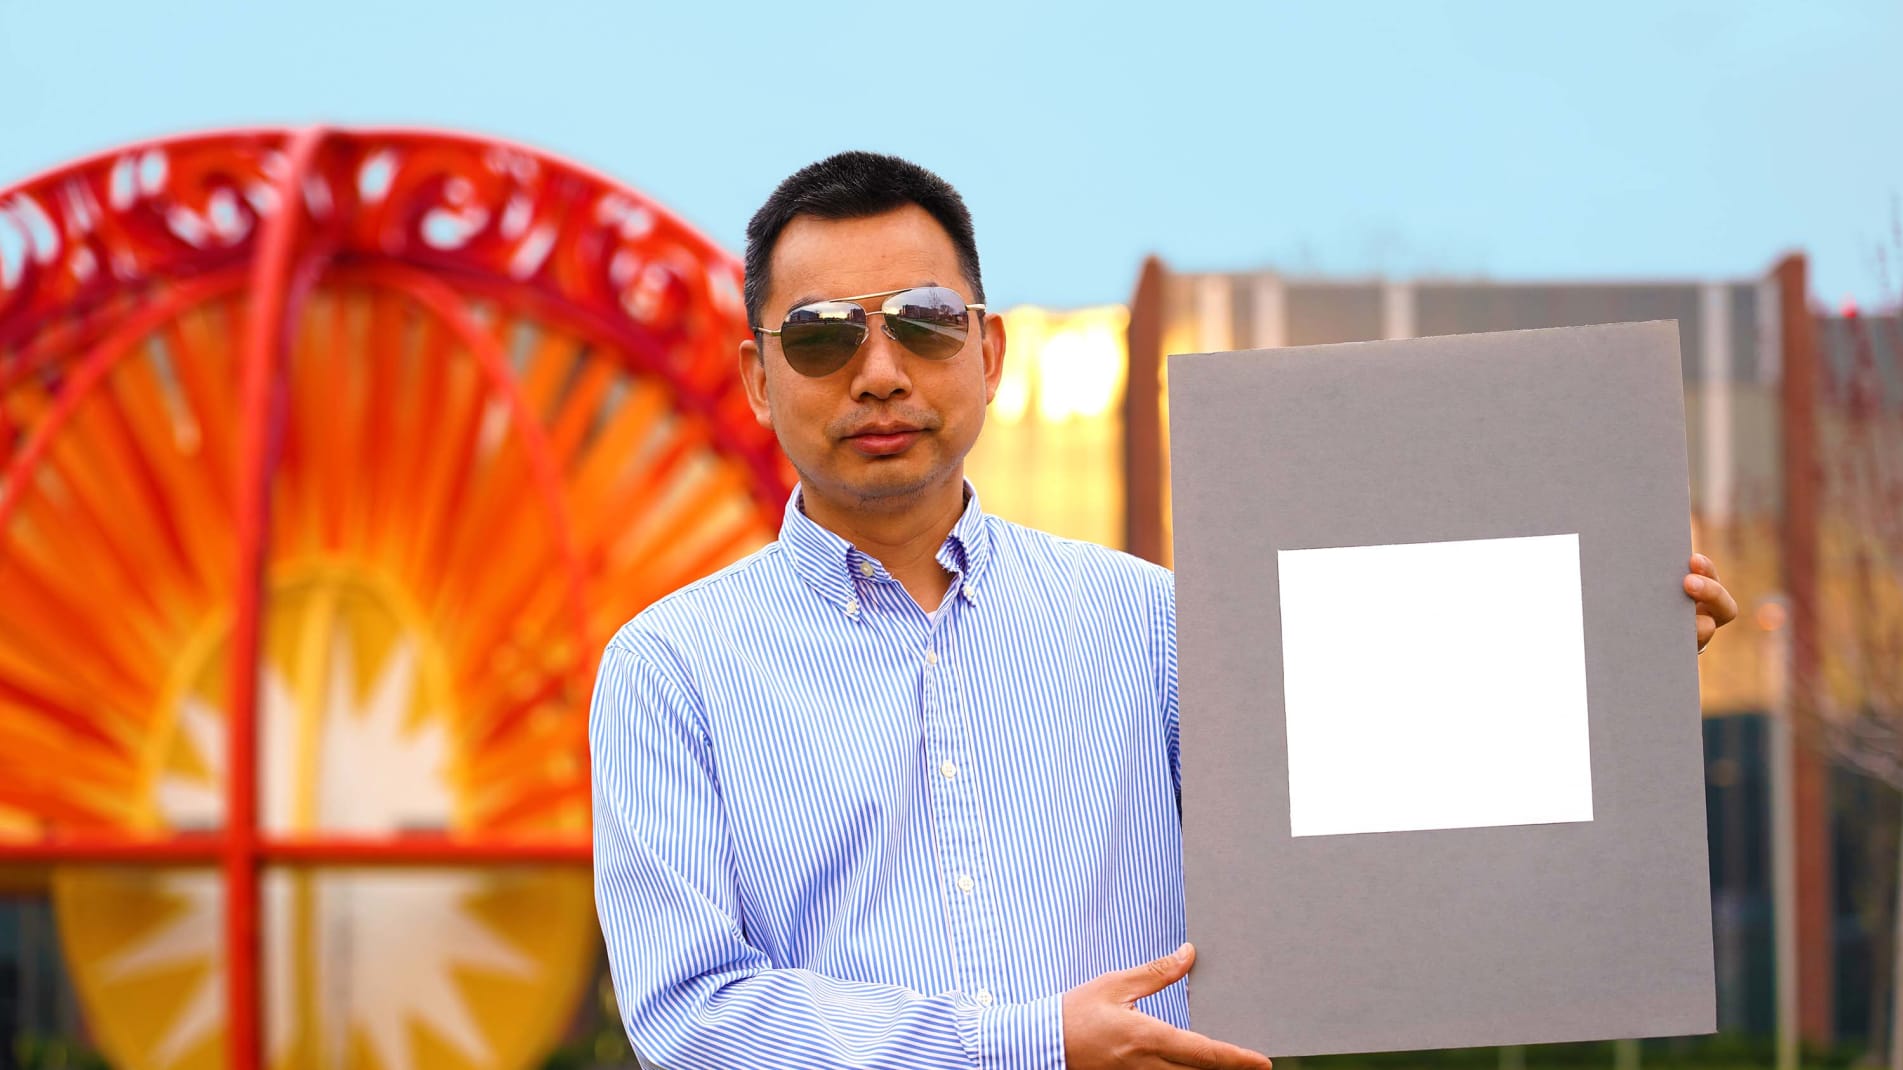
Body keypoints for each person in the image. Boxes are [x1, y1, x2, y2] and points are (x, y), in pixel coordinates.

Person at [588, 151, 1741, 1070]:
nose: (879, 371)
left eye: (924, 322)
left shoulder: (1150, 622)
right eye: (826, 334)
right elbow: (692, 1017)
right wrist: (1035, 1046)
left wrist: (1597, 649)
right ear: (755, 375)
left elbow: (1359, 785)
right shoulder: (668, 668)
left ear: (988, 352)